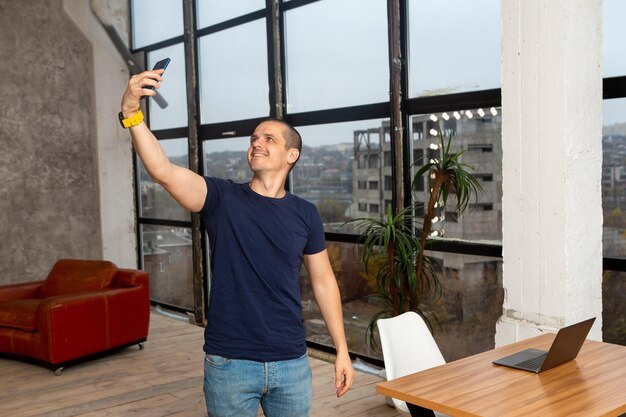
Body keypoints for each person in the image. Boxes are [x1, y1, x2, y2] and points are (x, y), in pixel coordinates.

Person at [120, 67, 354, 417]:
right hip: (230, 362)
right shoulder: (221, 197)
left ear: (292, 155)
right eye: (254, 139)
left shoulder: (306, 213)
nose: (257, 143)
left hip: (291, 362)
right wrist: (130, 113)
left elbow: (323, 282)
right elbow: (162, 171)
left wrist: (342, 350)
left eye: (269, 139)